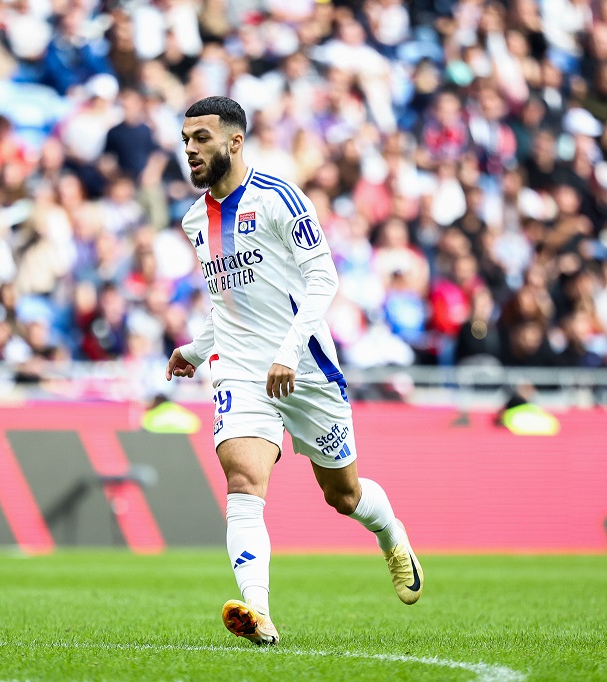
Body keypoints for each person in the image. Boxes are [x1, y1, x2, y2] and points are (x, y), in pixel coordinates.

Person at [165, 97, 423, 646]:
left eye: (201, 138)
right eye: (186, 139)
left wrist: (288, 349)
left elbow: (322, 279)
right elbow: (227, 301)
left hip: (304, 366)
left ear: (234, 143)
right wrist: (194, 348)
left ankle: (392, 534)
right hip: (238, 369)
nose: (189, 149)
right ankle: (257, 612)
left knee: (344, 497)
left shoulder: (279, 198)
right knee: (243, 481)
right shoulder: (194, 219)